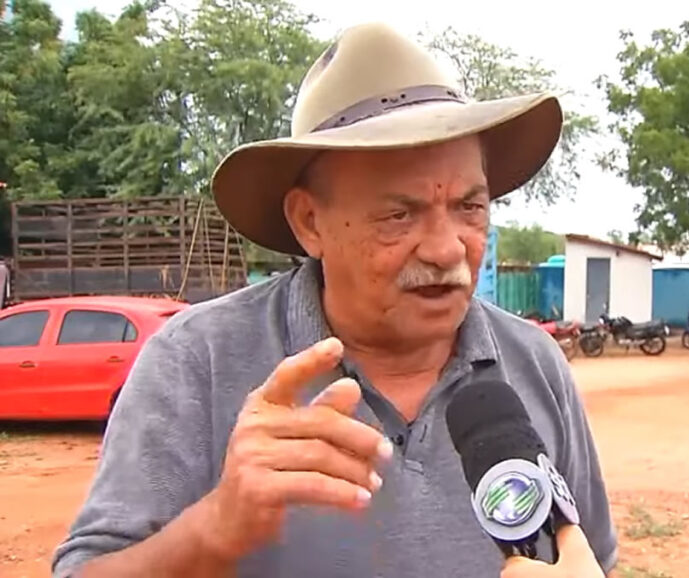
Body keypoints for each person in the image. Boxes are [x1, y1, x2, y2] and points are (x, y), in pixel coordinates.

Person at [52, 21, 618, 578]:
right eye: (400, 214)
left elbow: (594, 560)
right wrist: (215, 526)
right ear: (309, 222)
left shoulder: (535, 362)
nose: (448, 249)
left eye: (470, 207)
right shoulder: (196, 361)